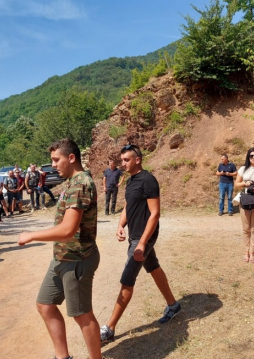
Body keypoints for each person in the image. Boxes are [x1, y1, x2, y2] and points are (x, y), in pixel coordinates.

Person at [18, 139, 102, 359]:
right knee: (45, 305)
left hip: (77, 259)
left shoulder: (80, 183)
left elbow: (68, 229)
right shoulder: (73, 182)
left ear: (71, 158)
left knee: (82, 315)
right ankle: (62, 357)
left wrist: (32, 235)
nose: (53, 165)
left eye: (56, 160)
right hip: (62, 257)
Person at [100, 144, 181, 344]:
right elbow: (128, 205)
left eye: (127, 160)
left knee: (127, 280)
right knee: (153, 267)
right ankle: (173, 305)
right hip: (135, 235)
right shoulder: (130, 181)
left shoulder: (148, 180)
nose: (123, 163)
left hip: (143, 237)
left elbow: (155, 213)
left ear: (138, 160)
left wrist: (142, 243)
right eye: (122, 160)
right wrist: (120, 224)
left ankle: (109, 329)